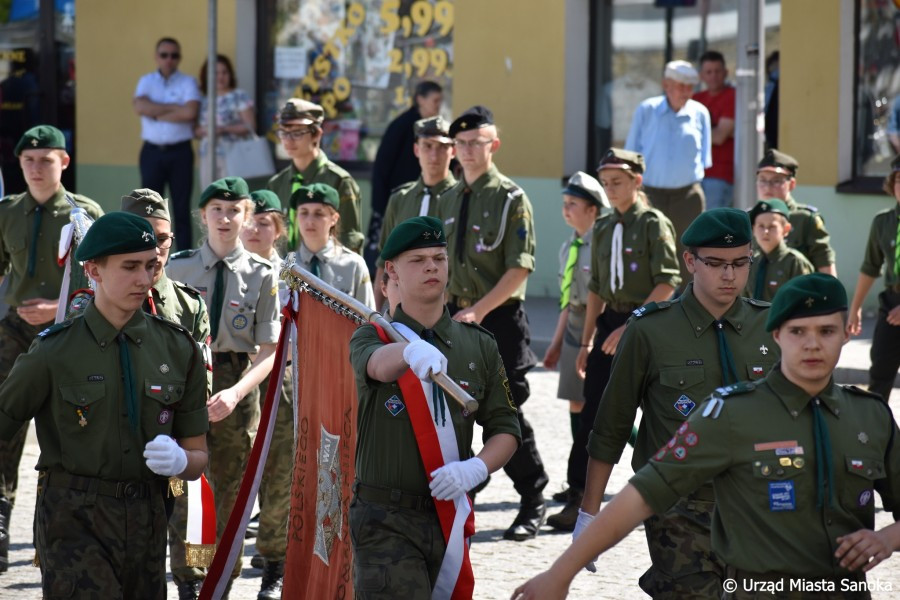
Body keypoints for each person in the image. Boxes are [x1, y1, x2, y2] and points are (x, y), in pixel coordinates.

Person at [514, 273, 900, 600]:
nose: (813, 344)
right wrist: (560, 573)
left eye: (827, 331)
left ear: (846, 335)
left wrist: (887, 538)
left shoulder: (870, 417)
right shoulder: (730, 414)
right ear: (777, 335)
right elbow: (643, 495)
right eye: (798, 331)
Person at [0, 211, 210, 598]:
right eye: (130, 267)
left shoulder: (179, 349)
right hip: (73, 517)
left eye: (150, 265)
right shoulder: (54, 351)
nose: (144, 279)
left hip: (148, 518)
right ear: (93, 270)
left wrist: (182, 461)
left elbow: (198, 455)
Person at [576, 208, 778, 598]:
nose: (729, 275)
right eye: (716, 263)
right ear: (689, 261)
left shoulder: (771, 327)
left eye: (740, 263)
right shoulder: (650, 330)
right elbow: (611, 426)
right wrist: (589, 512)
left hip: (758, 509)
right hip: (679, 511)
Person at [348, 216, 520, 598]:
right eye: (418, 259)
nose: (431, 267)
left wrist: (476, 468)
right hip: (383, 518)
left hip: (448, 515)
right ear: (391, 270)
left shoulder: (479, 344)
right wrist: (408, 351)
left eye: (439, 258)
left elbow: (506, 428)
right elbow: (376, 365)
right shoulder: (371, 336)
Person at [547, 150, 681, 532]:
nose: (610, 189)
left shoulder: (654, 224)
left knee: (659, 415)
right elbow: (596, 290)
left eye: (617, 182)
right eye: (605, 183)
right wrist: (586, 342)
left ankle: (667, 496)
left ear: (637, 182)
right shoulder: (603, 227)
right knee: (594, 416)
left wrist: (633, 325)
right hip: (609, 324)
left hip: (649, 322)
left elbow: (667, 282)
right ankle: (580, 499)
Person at [438, 105, 550, 541]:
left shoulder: (510, 199)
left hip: (497, 319)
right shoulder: (448, 197)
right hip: (455, 317)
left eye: (476, 143)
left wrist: (480, 310)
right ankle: (466, 494)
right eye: (460, 144)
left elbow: (520, 268)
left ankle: (532, 498)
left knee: (505, 414)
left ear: (493, 146)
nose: (467, 151)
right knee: (454, 410)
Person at [167, 177, 281, 592]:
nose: (226, 217)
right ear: (203, 216)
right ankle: (189, 580)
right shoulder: (177, 268)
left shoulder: (263, 273)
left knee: (231, 493)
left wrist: (236, 393)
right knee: (186, 488)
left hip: (236, 381)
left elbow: (269, 351)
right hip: (186, 378)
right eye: (217, 209)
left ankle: (222, 580)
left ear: (247, 217)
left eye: (235, 210)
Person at [0, 124, 103, 571]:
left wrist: (57, 310)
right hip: (14, 332)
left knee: (69, 426)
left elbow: (98, 278)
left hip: (68, 334)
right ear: (19, 164)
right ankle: (1, 520)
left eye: (47, 160)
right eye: (29, 160)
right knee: (4, 423)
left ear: (64, 162)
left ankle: (66, 525)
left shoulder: (83, 213)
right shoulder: (7, 212)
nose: (37, 168)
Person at [119, 189, 211, 600]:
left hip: (169, 451)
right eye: (143, 238)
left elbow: (198, 388)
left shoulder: (188, 306)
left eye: (162, 239)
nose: (155, 250)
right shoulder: (92, 303)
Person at [238, 189, 292, 599]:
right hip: (233, 382)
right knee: (228, 478)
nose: (255, 228)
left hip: (281, 384)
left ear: (279, 231)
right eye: (250, 219)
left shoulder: (293, 277)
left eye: (265, 222)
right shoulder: (225, 270)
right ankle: (212, 563)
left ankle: (274, 566)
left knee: (278, 479)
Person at [625, 60, 711, 286]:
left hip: (688, 196)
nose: (686, 92)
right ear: (666, 85)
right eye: (680, 86)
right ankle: (648, 305)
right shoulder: (647, 110)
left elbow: (704, 159)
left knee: (691, 252)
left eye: (690, 86)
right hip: (651, 194)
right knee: (648, 248)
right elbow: (631, 156)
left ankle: (688, 306)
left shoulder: (700, 113)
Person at [373, 115, 456, 309]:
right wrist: (374, 312)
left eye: (442, 147)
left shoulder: (460, 198)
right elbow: (384, 259)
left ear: (453, 151)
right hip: (401, 309)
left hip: (445, 311)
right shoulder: (400, 198)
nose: (434, 155)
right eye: (427, 146)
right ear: (416, 149)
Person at [266, 98, 364, 254]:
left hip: (323, 273)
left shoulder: (338, 180)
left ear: (316, 135)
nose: (289, 140)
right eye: (284, 133)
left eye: (297, 133)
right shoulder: (277, 183)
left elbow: (349, 240)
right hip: (283, 273)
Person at [133, 37, 202, 252]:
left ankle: (182, 256)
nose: (169, 59)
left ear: (179, 58)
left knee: (181, 209)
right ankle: (148, 253)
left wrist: (156, 112)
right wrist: (175, 109)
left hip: (180, 152)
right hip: (152, 152)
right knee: (149, 208)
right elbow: (140, 107)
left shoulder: (188, 82)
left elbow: (190, 112)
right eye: (164, 55)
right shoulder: (146, 81)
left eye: (174, 55)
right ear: (157, 57)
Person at [365, 80, 443, 268]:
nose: (438, 105)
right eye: (435, 100)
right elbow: (382, 167)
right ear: (420, 100)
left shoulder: (434, 130)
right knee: (387, 255)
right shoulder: (401, 126)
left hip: (421, 198)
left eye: (440, 101)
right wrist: (381, 207)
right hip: (396, 202)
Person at [847, 155, 900, 402]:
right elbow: (870, 267)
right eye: (899, 180)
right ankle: (879, 433)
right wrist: (855, 308)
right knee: (880, 369)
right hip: (891, 303)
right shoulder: (883, 222)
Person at [755, 149, 837, 275]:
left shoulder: (805, 219)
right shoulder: (750, 218)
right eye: (762, 180)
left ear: (791, 184)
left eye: (776, 181)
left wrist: (831, 294)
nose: (767, 187)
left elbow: (825, 266)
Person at [291, 183, 374, 307]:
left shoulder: (353, 265)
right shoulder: (287, 267)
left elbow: (368, 320)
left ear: (334, 218)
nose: (309, 221)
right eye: (304, 212)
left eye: (318, 214)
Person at [195, 54, 256, 189]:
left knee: (231, 195)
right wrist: (204, 131)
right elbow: (196, 130)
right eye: (216, 73)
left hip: (232, 153)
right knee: (209, 195)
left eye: (224, 72)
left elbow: (250, 126)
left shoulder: (238, 96)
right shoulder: (204, 99)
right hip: (208, 154)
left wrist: (224, 129)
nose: (220, 77)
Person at [746, 198, 814, 302]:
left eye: (772, 226)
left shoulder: (795, 263)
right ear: (753, 229)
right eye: (761, 226)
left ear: (786, 229)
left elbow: (805, 303)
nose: (766, 232)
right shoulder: (751, 263)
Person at [693, 50, 736, 209]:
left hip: (721, 174)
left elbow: (719, 137)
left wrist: (693, 133)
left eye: (717, 71)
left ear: (726, 72)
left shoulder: (733, 96)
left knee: (714, 224)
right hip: (695, 173)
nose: (713, 76)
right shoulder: (696, 99)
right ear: (701, 75)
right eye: (708, 72)